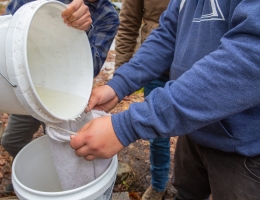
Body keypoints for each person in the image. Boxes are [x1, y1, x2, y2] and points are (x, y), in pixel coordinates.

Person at [70, 0, 260, 199]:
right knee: (185, 192)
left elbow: (250, 57)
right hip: (194, 128)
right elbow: (167, 35)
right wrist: (118, 85)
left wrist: (127, 125)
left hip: (244, 146)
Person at [0, 0, 119, 194]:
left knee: (63, 146)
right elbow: (11, 20)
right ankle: (28, 171)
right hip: (24, 88)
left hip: (62, 93)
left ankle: (57, 182)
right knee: (12, 140)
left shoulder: (108, 15)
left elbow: (93, 64)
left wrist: (82, 32)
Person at [115, 0, 170, 199]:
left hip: (193, 65)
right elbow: (128, 24)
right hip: (156, 68)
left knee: (197, 136)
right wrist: (121, 77)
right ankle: (159, 184)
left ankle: (194, 185)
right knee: (156, 132)